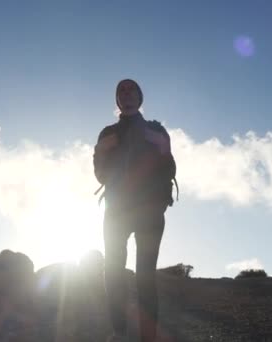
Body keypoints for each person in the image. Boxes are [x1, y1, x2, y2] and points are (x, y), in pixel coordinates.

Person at [93, 79, 176, 342]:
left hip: (150, 211)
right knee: (114, 271)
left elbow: (170, 170)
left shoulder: (156, 129)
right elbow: (100, 175)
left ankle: (147, 338)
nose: (127, 95)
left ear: (140, 98)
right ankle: (119, 333)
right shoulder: (108, 133)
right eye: (122, 92)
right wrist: (99, 152)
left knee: (145, 277)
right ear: (118, 101)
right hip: (117, 210)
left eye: (132, 91)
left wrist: (163, 149)